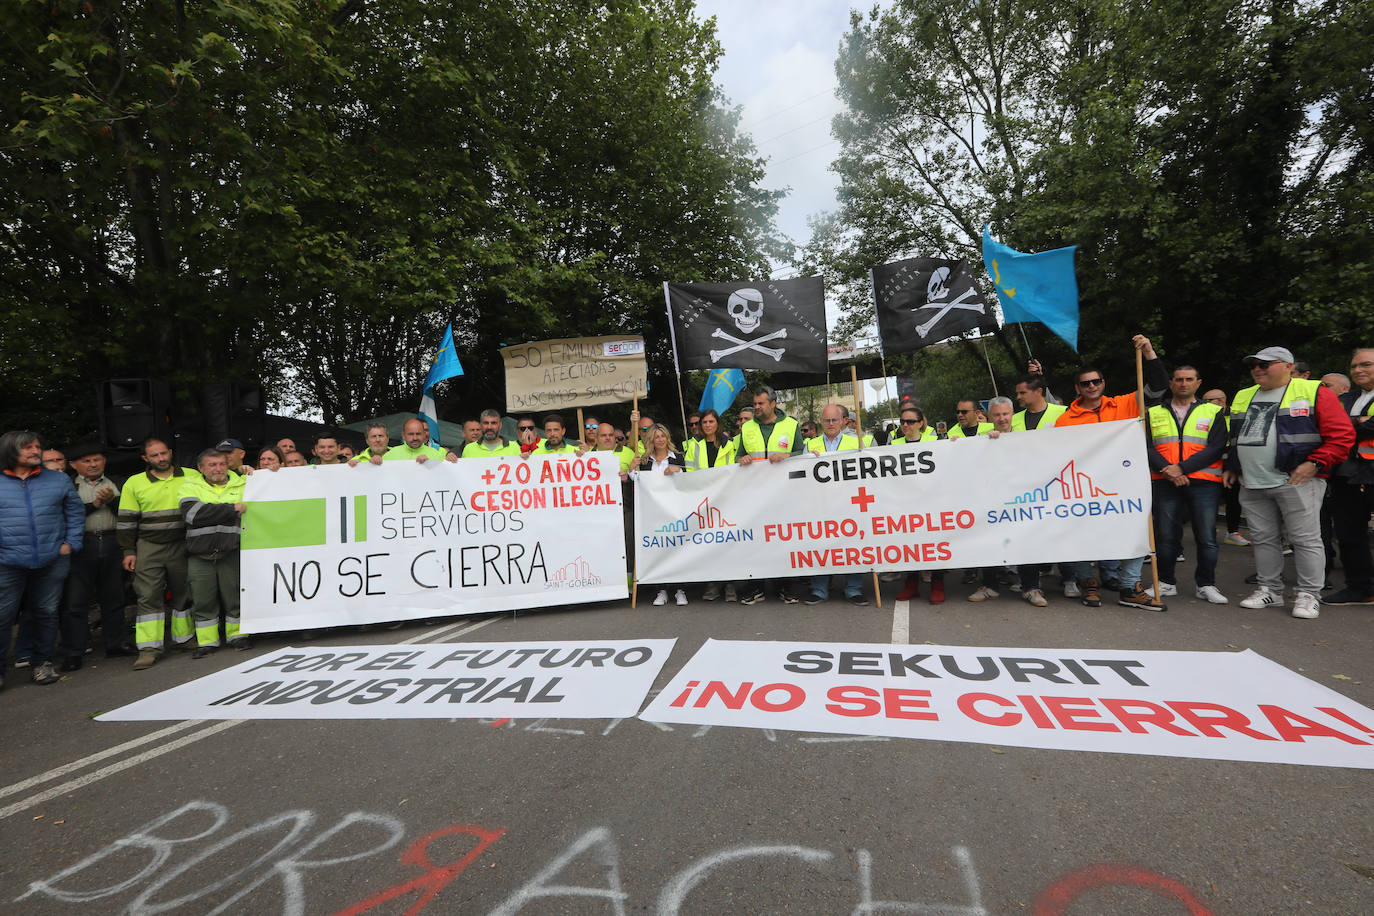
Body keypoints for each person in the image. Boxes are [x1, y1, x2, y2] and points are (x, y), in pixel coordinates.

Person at [1225, 346, 1354, 619]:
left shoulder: (1313, 391)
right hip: (1252, 480)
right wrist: (1232, 466)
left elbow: (1342, 435)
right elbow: (1236, 436)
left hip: (1296, 479)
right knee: (1263, 539)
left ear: (1287, 365)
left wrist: (1315, 463)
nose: (1258, 369)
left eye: (1265, 364)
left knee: (1305, 540)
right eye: (1254, 365)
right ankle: (1269, 590)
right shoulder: (1244, 394)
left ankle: (1309, 595)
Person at [1055, 333, 1169, 611]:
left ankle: (1130, 587)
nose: (1092, 386)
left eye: (1096, 381)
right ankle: (1087, 582)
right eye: (1085, 383)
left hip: (1125, 483)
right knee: (1082, 534)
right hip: (1085, 487)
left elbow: (1159, 387)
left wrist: (1149, 354)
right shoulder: (1065, 419)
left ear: (1103, 384)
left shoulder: (1125, 404)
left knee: (1134, 532)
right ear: (1077, 388)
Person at [0, 430, 82, 688]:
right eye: (28, 447)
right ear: (10, 451)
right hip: (7, 562)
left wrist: (71, 544)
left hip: (52, 559)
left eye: (37, 446)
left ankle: (42, 664)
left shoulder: (58, 481)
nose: (36, 451)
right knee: (3, 617)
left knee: (46, 613)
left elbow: (75, 513)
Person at [1146, 366, 1229, 604]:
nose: (1183, 384)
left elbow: (1216, 446)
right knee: (1165, 536)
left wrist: (1181, 468)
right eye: (1179, 380)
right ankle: (1165, 582)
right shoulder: (1153, 412)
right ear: (1171, 383)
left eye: (1189, 380)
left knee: (1206, 536)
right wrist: (1168, 470)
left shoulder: (1213, 411)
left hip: (1203, 482)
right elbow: (1147, 446)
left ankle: (1206, 584)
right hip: (1164, 480)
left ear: (1198, 383)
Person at [117, 438, 197, 669]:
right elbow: (126, 521)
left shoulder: (192, 475)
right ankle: (149, 649)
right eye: (155, 455)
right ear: (145, 458)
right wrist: (128, 550)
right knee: (148, 594)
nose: (161, 459)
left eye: (164, 453)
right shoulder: (134, 482)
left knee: (184, 592)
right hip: (149, 546)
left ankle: (184, 639)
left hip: (182, 542)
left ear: (171, 452)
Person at [62, 443, 134, 669]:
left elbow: (130, 512)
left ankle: (115, 644)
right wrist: (94, 505)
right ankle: (74, 651)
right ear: (74, 465)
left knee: (114, 597)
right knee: (76, 601)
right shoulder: (68, 485)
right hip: (83, 544)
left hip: (113, 541)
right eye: (87, 461)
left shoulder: (118, 482)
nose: (93, 464)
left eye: (97, 459)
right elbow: (63, 516)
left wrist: (112, 501)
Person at [737, 387, 804, 604]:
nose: (756, 407)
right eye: (755, 404)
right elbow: (739, 455)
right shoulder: (746, 427)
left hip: (783, 494)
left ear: (773, 403)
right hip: (754, 495)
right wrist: (743, 459)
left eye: (760, 404)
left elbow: (800, 454)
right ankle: (756, 586)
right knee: (756, 540)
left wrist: (787, 455)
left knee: (782, 539)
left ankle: (785, 586)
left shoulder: (791, 425)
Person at [179, 449, 250, 656]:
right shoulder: (189, 486)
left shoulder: (244, 483)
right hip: (200, 555)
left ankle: (238, 636)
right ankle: (207, 642)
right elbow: (194, 514)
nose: (218, 468)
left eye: (221, 464)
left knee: (235, 597)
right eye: (212, 465)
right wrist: (232, 509)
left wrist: (213, 510)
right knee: (202, 600)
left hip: (231, 552)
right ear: (201, 468)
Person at [1324, 348, 1374, 607]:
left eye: (1366, 365)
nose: (1358, 370)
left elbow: (1367, 426)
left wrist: (1353, 423)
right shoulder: (1348, 396)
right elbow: (1330, 425)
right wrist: (1359, 421)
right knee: (1348, 534)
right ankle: (1361, 588)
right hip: (1345, 475)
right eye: (1354, 366)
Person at [886, 406, 946, 604]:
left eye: (910, 421)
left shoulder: (935, 441)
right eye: (902, 421)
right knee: (910, 545)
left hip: (932, 502)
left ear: (921, 423)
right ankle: (911, 585)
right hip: (906, 503)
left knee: (935, 544)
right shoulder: (893, 443)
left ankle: (938, 585)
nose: (905, 425)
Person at [633, 424, 687, 606]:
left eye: (663, 436)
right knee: (659, 550)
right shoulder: (645, 460)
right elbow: (638, 481)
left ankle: (680, 590)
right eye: (656, 437)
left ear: (668, 438)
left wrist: (678, 471)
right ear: (651, 440)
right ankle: (661, 590)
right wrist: (633, 469)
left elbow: (690, 479)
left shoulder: (677, 457)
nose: (661, 439)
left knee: (677, 549)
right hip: (653, 512)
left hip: (675, 510)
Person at [384, 418, 458, 462]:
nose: (415, 438)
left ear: (424, 434)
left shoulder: (436, 455)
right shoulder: (391, 455)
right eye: (411, 434)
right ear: (403, 435)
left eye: (418, 434)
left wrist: (430, 465)